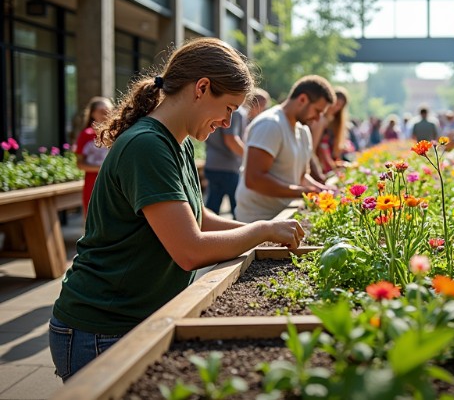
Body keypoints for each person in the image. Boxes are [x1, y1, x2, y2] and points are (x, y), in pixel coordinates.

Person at [49, 38, 304, 381]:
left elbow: (197, 217)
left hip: (127, 320)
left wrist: (261, 226)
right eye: (228, 108)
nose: (228, 122)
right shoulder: (148, 145)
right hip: (100, 328)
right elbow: (189, 250)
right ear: (201, 88)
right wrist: (262, 231)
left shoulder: (178, 140)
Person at [235, 75, 334, 222]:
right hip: (256, 220)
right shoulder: (270, 124)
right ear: (302, 100)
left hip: (283, 216)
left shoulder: (303, 131)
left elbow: (300, 177)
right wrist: (302, 192)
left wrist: (321, 190)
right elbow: (254, 179)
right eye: (317, 111)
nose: (318, 118)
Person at [203, 88, 268, 217]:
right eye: (263, 106)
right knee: (238, 209)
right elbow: (231, 140)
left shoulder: (218, 108)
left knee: (212, 207)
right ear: (256, 103)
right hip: (228, 167)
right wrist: (251, 159)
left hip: (211, 163)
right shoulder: (237, 112)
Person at [74, 97, 113, 216]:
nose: (106, 114)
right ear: (93, 113)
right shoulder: (86, 135)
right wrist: (102, 168)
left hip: (113, 184)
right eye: (102, 110)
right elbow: (80, 164)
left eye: (109, 110)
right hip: (93, 184)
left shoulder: (116, 132)